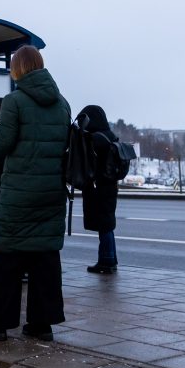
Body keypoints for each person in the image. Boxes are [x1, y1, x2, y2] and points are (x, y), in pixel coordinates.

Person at [0, 45, 70, 343]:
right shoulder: (61, 103)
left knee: (5, 256)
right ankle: (42, 324)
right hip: (51, 192)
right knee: (44, 258)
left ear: (18, 69)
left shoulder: (14, 102)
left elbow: (1, 146)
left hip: (18, 193)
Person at [78, 104, 119, 275]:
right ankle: (111, 259)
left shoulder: (96, 139)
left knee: (104, 225)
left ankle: (106, 261)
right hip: (110, 185)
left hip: (99, 187)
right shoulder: (110, 136)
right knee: (107, 223)